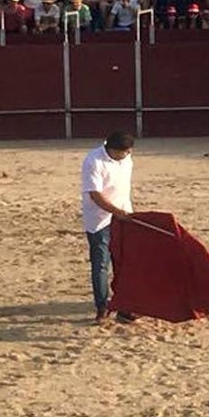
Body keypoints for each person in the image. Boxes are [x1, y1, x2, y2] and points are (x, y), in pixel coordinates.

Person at [81, 131, 136, 324]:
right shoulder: (93, 161)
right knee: (101, 264)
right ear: (111, 149)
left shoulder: (127, 158)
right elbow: (95, 195)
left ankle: (124, 306)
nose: (127, 154)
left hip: (123, 217)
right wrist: (116, 211)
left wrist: (124, 212)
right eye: (123, 151)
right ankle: (102, 307)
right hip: (99, 220)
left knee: (125, 263)